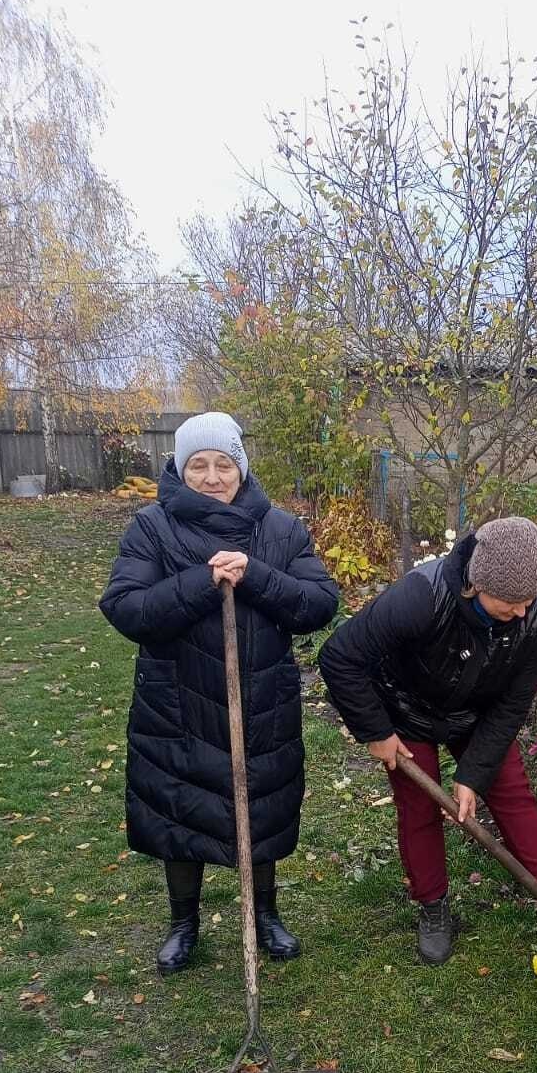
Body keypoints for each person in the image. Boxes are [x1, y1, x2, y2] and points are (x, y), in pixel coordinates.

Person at [99, 412, 339, 974]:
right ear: (181, 470)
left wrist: (255, 575)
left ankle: (265, 916)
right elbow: (127, 608)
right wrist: (199, 582)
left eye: (223, 464)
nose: (211, 476)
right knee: (179, 810)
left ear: (241, 467)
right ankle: (184, 924)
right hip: (177, 700)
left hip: (260, 700)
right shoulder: (152, 528)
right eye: (198, 465)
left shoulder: (278, 529)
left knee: (261, 808)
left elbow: (320, 602)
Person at [318, 515, 537, 964]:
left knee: (511, 792)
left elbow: (512, 705)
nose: (522, 611)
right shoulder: (421, 597)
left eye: (530, 599)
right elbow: (339, 656)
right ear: (475, 585)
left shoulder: (534, 619)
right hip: (408, 707)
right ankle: (433, 906)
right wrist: (376, 731)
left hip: (478, 713)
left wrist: (472, 773)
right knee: (419, 806)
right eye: (510, 601)